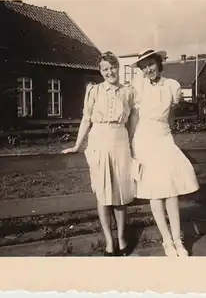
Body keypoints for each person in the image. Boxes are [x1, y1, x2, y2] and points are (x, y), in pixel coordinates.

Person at [62, 51, 135, 257]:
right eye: (105, 69)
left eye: (112, 67)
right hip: (99, 141)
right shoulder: (94, 91)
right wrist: (77, 146)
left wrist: (134, 147)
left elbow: (131, 123)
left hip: (120, 141)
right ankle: (109, 242)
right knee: (103, 194)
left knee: (120, 194)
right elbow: (86, 119)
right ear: (100, 72)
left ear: (117, 68)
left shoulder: (128, 92)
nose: (109, 72)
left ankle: (121, 238)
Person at [128, 49, 200, 257]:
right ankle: (167, 241)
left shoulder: (172, 86)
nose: (148, 69)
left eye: (151, 64)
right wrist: (132, 146)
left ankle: (178, 241)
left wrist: (167, 135)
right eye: (144, 67)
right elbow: (134, 118)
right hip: (143, 139)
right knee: (154, 192)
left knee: (171, 191)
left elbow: (171, 117)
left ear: (158, 64)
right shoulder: (138, 87)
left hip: (164, 137)